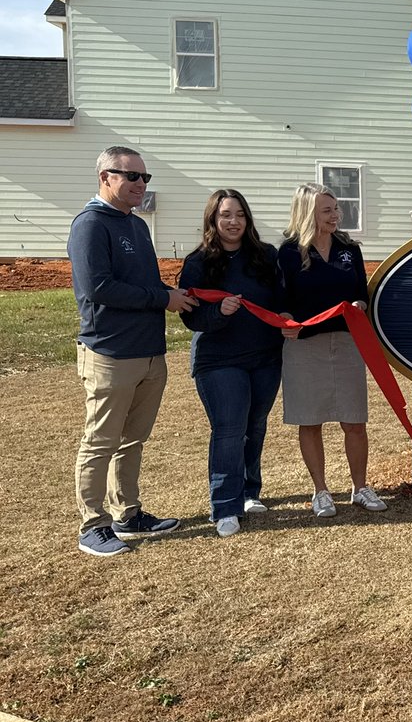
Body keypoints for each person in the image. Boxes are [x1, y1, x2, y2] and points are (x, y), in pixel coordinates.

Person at [67, 145, 197, 557]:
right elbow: (99, 288)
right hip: (110, 353)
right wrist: (162, 299)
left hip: (149, 352)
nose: (141, 184)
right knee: (100, 441)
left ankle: (127, 512)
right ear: (105, 177)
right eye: (132, 176)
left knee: (132, 439)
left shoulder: (136, 226)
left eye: (145, 177)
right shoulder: (90, 224)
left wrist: (173, 293)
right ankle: (93, 525)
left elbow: (144, 284)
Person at [179, 190, 284, 538]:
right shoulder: (198, 262)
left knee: (255, 425)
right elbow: (190, 317)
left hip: (265, 357)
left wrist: (287, 315)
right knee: (229, 430)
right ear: (213, 219)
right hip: (219, 361)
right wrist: (217, 313)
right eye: (225, 215)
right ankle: (225, 506)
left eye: (240, 215)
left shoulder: (266, 256)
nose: (233, 221)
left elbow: (281, 298)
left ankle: (250, 492)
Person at [277, 183, 387, 518]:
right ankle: (321, 491)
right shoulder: (288, 252)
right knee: (309, 421)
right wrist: (286, 319)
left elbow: (361, 292)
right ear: (307, 213)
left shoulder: (348, 249)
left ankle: (360, 487)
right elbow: (281, 298)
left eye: (336, 208)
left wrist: (359, 305)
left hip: (346, 342)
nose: (335, 215)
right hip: (304, 346)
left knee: (354, 420)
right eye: (327, 210)